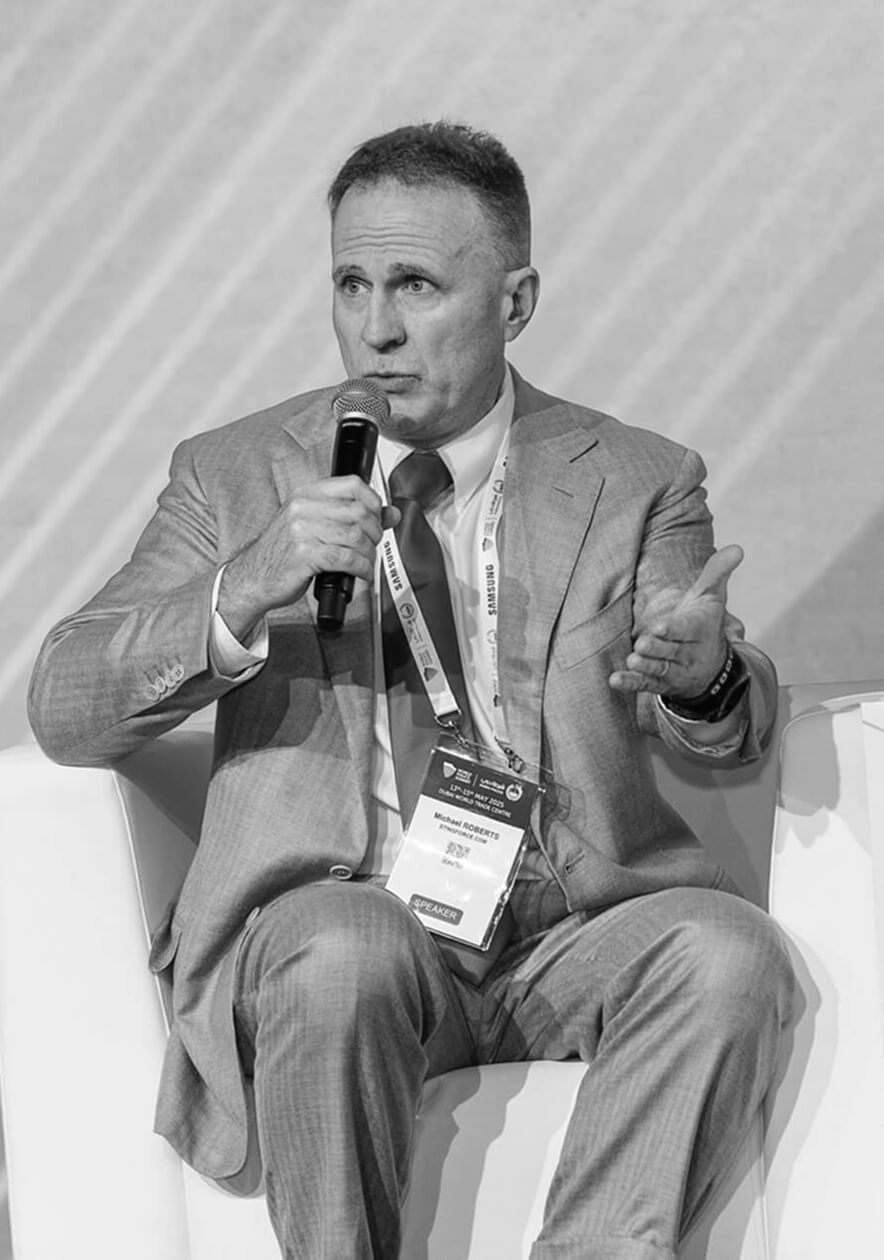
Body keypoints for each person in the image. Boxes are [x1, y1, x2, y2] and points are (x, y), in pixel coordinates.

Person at [28, 120, 794, 1260]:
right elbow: (64, 703)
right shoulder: (236, 472)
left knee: (728, 953)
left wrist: (704, 677)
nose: (375, 329)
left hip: (562, 929)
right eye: (351, 284)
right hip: (340, 921)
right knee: (347, 947)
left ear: (514, 302)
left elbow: (721, 710)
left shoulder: (636, 478)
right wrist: (247, 587)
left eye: (417, 286)